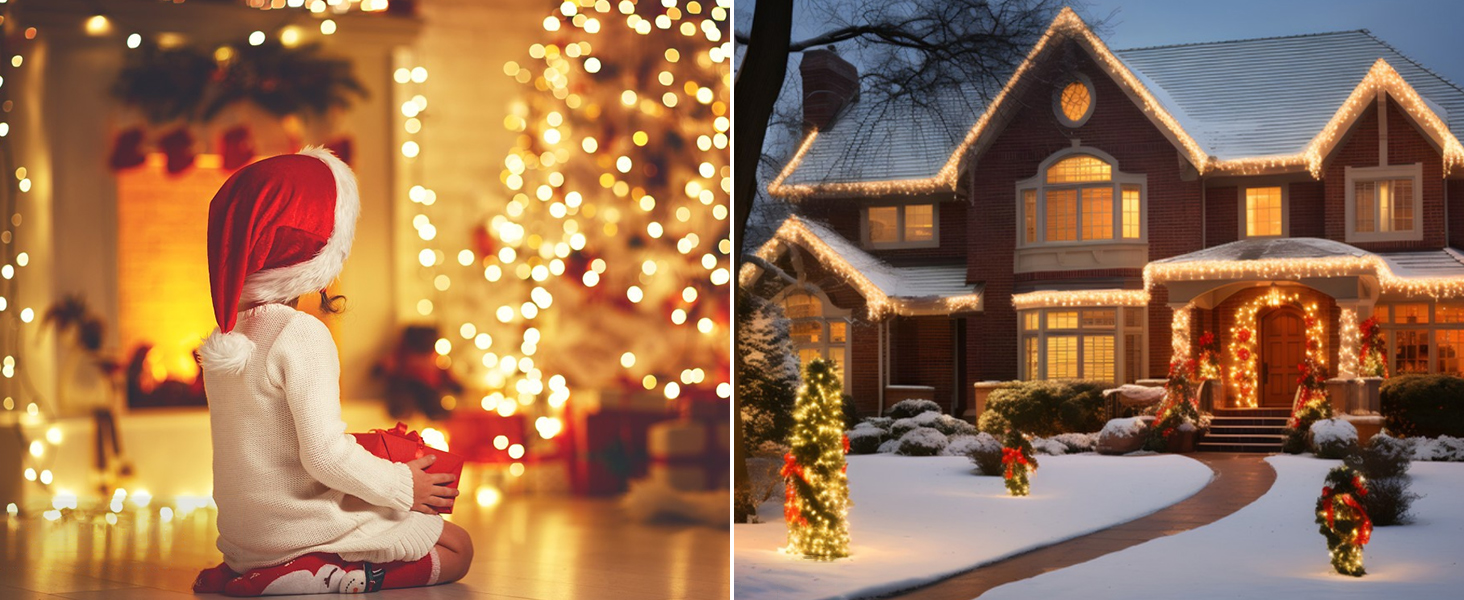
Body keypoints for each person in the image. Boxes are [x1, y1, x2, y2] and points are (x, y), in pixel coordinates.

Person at [189, 148, 472, 596]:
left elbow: (272, 448)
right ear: (316, 251)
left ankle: (246, 571)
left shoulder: (226, 338)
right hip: (295, 528)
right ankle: (314, 575)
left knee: (401, 520)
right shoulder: (300, 333)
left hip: (245, 537)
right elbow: (323, 457)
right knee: (457, 547)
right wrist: (404, 485)